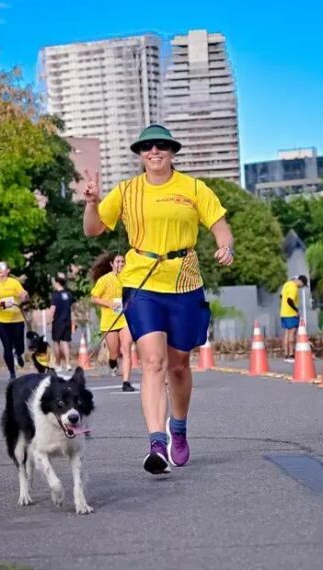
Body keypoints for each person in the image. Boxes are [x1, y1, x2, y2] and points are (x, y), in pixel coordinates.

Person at [83, 124, 234, 475]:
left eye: (161, 146)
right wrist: (91, 203)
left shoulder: (193, 188)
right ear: (140, 154)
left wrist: (226, 247)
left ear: (172, 151)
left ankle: (177, 429)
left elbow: (220, 226)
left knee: (178, 365)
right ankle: (157, 443)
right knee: (152, 361)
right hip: (142, 281)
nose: (154, 151)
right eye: (147, 146)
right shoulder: (127, 190)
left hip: (184, 281)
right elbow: (93, 229)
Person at [90, 252, 136, 392]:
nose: (120, 264)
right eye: (118, 261)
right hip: (110, 321)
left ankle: (126, 382)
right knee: (114, 352)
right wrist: (110, 304)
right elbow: (94, 298)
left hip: (125, 319)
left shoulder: (129, 279)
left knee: (126, 348)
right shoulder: (104, 280)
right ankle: (113, 361)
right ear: (111, 264)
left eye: (123, 261)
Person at [0, 262, 30, 380]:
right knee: (7, 346)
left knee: (20, 346)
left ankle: (19, 354)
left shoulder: (14, 283)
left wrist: (24, 296)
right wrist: (2, 303)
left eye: (2, 267)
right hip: (1, 321)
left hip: (17, 319)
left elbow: (23, 296)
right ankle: (12, 373)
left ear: (8, 270)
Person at [280, 275, 308, 362]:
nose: (301, 287)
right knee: (292, 333)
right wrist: (296, 310)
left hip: (283, 313)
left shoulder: (287, 284)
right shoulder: (294, 287)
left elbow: (281, 296)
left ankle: (286, 354)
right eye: (303, 285)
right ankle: (291, 354)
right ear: (300, 281)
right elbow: (290, 300)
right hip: (291, 314)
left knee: (287, 333)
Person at [50, 277, 74, 371]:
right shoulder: (69, 294)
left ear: (57, 283)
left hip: (58, 322)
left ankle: (58, 365)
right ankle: (68, 364)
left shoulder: (55, 295)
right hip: (67, 320)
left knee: (56, 342)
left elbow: (53, 309)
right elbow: (71, 308)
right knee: (65, 342)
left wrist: (49, 319)